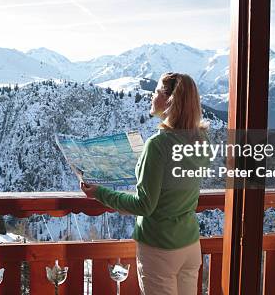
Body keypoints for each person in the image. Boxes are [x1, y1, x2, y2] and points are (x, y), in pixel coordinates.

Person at [81, 72, 208, 295]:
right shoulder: (200, 140)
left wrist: (100, 193)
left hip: (160, 247)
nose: (152, 95)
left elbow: (144, 205)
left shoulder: (158, 144)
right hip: (190, 245)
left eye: (157, 91)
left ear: (169, 101)